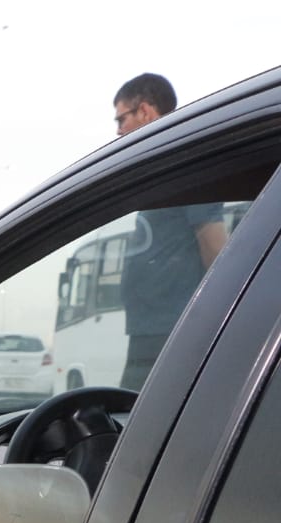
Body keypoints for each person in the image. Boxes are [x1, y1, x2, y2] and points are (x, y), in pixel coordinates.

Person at [113, 73, 229, 389]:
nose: (119, 131)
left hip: (172, 327)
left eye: (121, 119)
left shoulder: (185, 164)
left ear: (146, 111)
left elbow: (215, 247)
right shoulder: (162, 167)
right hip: (153, 328)